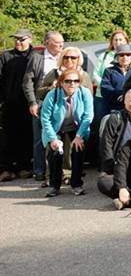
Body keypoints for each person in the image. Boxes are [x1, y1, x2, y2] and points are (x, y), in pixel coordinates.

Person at [40, 69, 94, 197]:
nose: (72, 84)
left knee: (78, 150)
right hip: (56, 129)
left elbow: (88, 117)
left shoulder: (84, 93)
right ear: (61, 82)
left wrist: (79, 136)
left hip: (77, 128)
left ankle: (76, 184)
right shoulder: (52, 95)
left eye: (76, 81)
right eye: (68, 81)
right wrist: (53, 139)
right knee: (55, 153)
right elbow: (45, 119)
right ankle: (54, 186)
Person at [0, 28, 36, 181]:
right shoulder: (6, 56)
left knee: (26, 136)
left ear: (30, 40)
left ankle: (24, 167)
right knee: (7, 137)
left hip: (28, 103)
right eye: (16, 39)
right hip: (9, 103)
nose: (18, 42)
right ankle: (6, 169)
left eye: (22, 39)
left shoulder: (35, 56)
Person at [99, 89, 131, 188]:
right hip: (118, 162)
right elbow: (106, 143)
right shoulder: (115, 118)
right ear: (124, 101)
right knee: (105, 183)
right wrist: (110, 166)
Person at [100, 44, 131, 113]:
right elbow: (105, 89)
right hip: (112, 108)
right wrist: (119, 95)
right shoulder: (109, 71)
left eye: (128, 55)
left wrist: (127, 97)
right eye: (122, 55)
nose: (125, 57)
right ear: (117, 57)